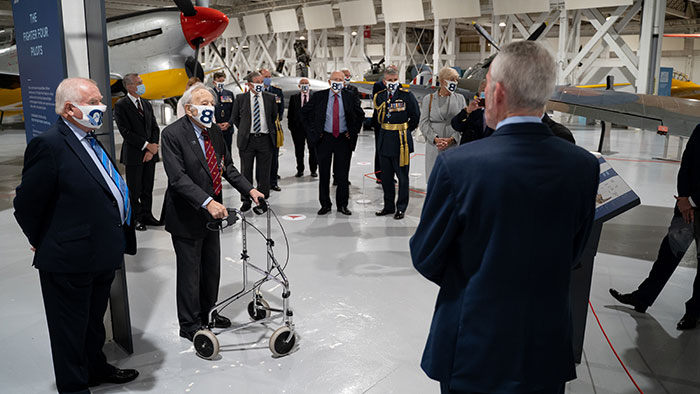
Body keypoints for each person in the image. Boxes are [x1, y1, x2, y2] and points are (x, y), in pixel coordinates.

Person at [410, 41, 600, 394]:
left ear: (496, 92)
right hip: (545, 344)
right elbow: (575, 251)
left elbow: (426, 256)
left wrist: (477, 282)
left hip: (474, 345)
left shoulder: (459, 165)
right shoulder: (584, 167)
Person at [14, 77, 139, 393]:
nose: (102, 106)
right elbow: (26, 203)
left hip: (100, 253)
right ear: (70, 109)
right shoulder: (50, 145)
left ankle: (95, 369)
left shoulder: (91, 139)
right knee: (69, 329)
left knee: (93, 322)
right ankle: (73, 386)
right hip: (68, 258)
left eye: (101, 100)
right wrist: (40, 238)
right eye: (94, 101)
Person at [161, 85, 264, 341]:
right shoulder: (172, 135)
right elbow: (178, 178)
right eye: (202, 103)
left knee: (211, 269)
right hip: (187, 214)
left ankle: (209, 312)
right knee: (189, 273)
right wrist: (207, 202)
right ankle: (189, 324)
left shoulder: (214, 132)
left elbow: (226, 167)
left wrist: (250, 190)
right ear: (188, 108)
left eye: (211, 103)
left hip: (213, 215)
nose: (209, 108)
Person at [610, 124, 700, 330]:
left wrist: (691, 201)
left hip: (691, 204)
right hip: (686, 206)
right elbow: (686, 163)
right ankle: (643, 298)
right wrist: (683, 197)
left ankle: (694, 313)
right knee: (668, 253)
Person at [302, 70, 364, 216]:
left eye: (340, 80)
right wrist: (314, 131)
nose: (337, 82)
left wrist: (352, 131)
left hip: (343, 139)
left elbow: (359, 114)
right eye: (335, 79)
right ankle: (325, 204)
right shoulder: (319, 96)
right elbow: (305, 113)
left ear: (344, 83)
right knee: (324, 173)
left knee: (342, 174)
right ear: (329, 82)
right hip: (325, 139)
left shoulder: (350, 97)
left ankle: (342, 205)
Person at [114, 73, 161, 231]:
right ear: (129, 87)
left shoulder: (146, 104)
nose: (142, 85)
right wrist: (147, 145)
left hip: (150, 154)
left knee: (148, 188)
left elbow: (155, 127)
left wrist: (153, 148)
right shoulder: (121, 105)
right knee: (135, 190)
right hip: (134, 155)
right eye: (139, 83)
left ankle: (147, 215)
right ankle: (136, 219)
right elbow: (125, 132)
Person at [372, 68, 420, 220]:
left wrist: (404, 131)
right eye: (389, 80)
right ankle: (388, 206)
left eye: (395, 80)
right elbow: (377, 118)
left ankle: (401, 207)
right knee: (386, 177)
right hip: (385, 140)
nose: (392, 83)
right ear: (384, 81)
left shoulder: (406, 96)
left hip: (401, 142)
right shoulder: (379, 97)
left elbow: (415, 117)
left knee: (402, 177)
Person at [231, 71, 278, 212]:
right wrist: (246, 130)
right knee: (246, 172)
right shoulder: (240, 98)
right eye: (257, 82)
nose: (260, 85)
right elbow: (235, 118)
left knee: (264, 172)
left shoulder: (270, 98)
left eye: (261, 82)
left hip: (265, 139)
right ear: (249, 84)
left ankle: (262, 199)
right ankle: (246, 200)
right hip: (248, 140)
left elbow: (273, 116)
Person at [419, 66, 465, 178]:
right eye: (453, 79)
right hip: (434, 145)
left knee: (452, 178)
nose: (455, 82)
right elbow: (423, 123)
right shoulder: (428, 99)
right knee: (434, 177)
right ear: (443, 81)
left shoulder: (460, 98)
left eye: (456, 80)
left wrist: (452, 139)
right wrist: (435, 139)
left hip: (453, 145)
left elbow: (464, 123)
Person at [260, 68, 284, 192]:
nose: (268, 78)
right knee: (261, 158)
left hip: (274, 129)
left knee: (274, 157)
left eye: (269, 76)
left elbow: (280, 111)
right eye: (266, 76)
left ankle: (273, 182)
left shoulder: (277, 92)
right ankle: (261, 182)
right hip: (260, 129)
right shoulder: (256, 92)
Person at [371, 65, 397, 182]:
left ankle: (391, 175)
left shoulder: (399, 86)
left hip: (395, 123)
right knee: (380, 148)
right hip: (380, 122)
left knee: (393, 150)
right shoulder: (378, 86)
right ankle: (379, 175)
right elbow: (377, 101)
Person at [287, 78, 317, 177]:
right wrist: (291, 127)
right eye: (302, 83)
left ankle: (313, 169)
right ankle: (300, 169)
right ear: (299, 86)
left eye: (306, 83)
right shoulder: (294, 97)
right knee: (299, 150)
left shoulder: (315, 97)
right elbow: (290, 114)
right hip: (298, 129)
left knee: (313, 149)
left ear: (309, 85)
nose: (304, 85)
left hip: (311, 128)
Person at [212, 71, 236, 154]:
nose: (221, 83)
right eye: (219, 81)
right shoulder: (210, 94)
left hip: (227, 129)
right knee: (215, 152)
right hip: (214, 128)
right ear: (214, 82)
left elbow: (234, 111)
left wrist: (229, 123)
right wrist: (215, 124)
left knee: (227, 151)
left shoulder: (229, 94)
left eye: (222, 81)